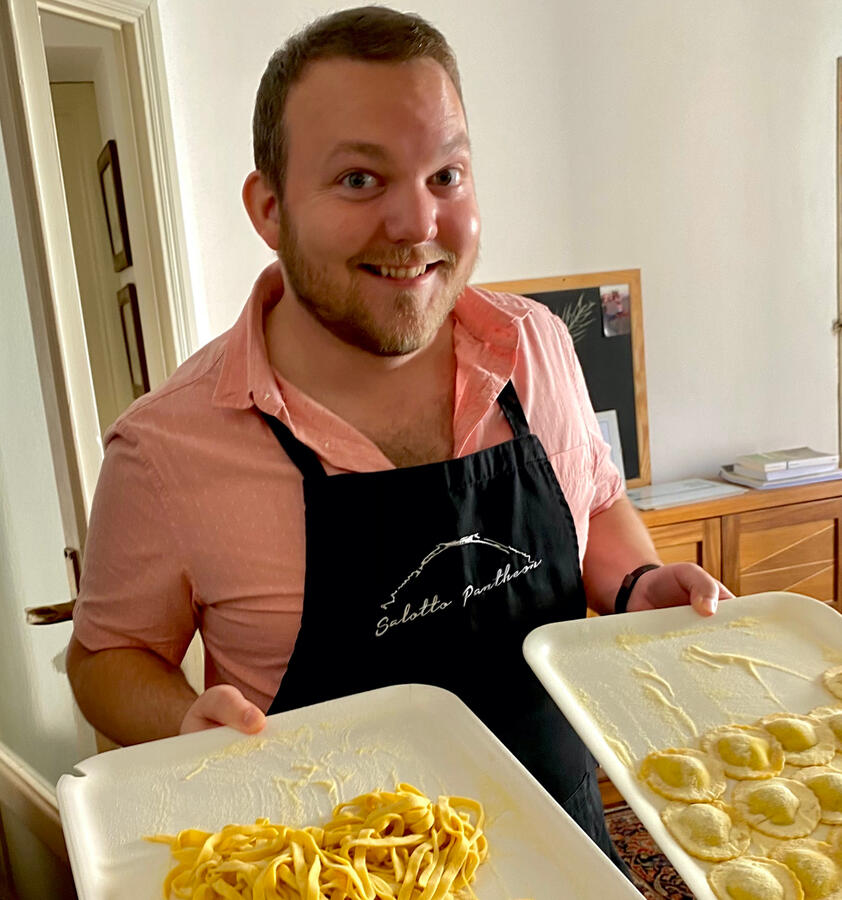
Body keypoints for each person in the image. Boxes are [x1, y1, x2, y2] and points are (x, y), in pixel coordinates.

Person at [66, 5, 732, 871]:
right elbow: (107, 656)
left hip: (567, 841)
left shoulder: (537, 345)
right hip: (332, 873)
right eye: (358, 180)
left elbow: (597, 502)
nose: (417, 224)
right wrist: (180, 722)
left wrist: (636, 582)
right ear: (268, 207)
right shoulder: (166, 449)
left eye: (446, 176)